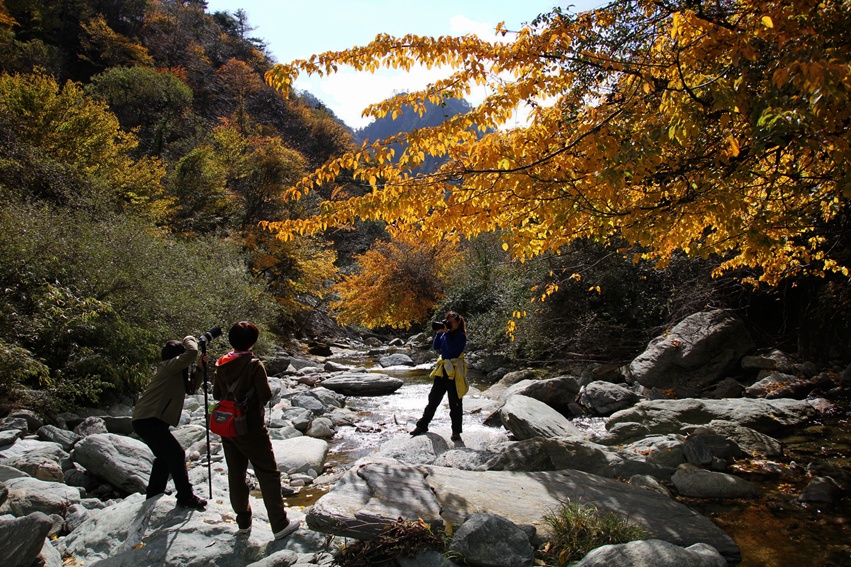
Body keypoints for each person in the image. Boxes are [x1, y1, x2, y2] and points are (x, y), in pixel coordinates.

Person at [213, 321, 300, 540]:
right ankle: (279, 524)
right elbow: (265, 394)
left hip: (227, 425)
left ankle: (243, 523)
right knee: (268, 473)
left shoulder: (221, 363)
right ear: (253, 342)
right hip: (250, 426)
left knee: (236, 473)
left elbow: (216, 394)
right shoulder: (253, 364)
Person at [132, 335, 208, 510]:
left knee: (164, 458)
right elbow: (192, 351)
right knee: (176, 454)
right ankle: (185, 496)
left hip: (148, 420)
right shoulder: (168, 367)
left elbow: (191, 389)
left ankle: (154, 494)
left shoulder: (174, 372)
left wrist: (199, 369)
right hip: (148, 420)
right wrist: (190, 338)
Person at [410, 311, 468, 441]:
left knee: (455, 403)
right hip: (443, 371)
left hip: (454, 371)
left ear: (458, 322)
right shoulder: (445, 334)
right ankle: (422, 425)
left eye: (452, 322)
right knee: (433, 399)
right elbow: (436, 347)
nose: (449, 324)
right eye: (447, 321)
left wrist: (446, 334)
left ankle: (456, 431)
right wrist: (439, 333)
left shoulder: (460, 336)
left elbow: (451, 349)